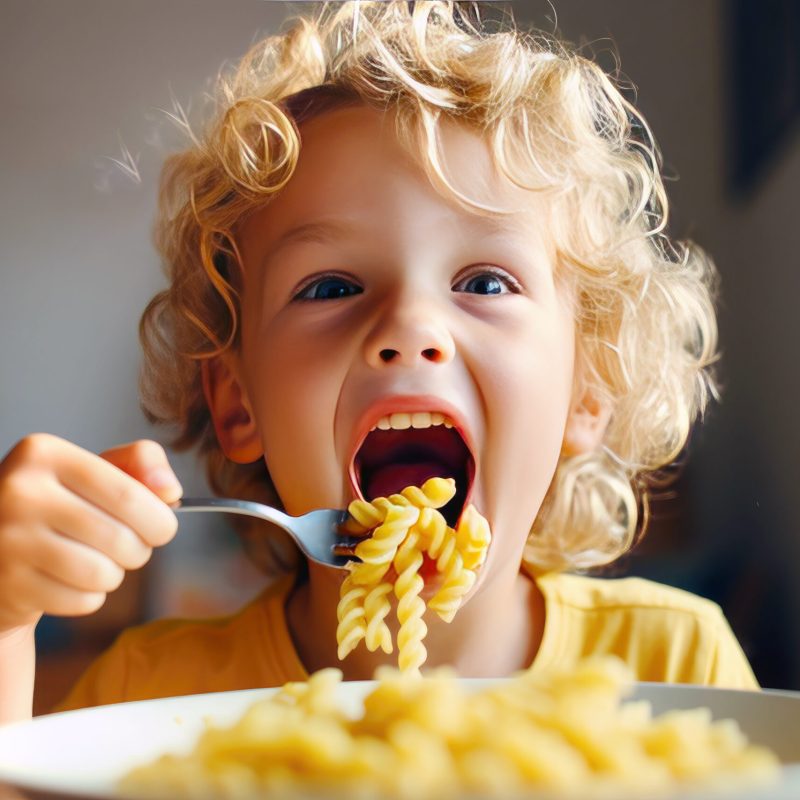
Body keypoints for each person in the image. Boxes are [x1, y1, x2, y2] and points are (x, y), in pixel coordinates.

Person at [0, 1, 757, 723]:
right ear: (238, 403)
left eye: (485, 282)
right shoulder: (150, 698)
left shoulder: (677, 667)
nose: (409, 326)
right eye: (331, 287)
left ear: (587, 391)